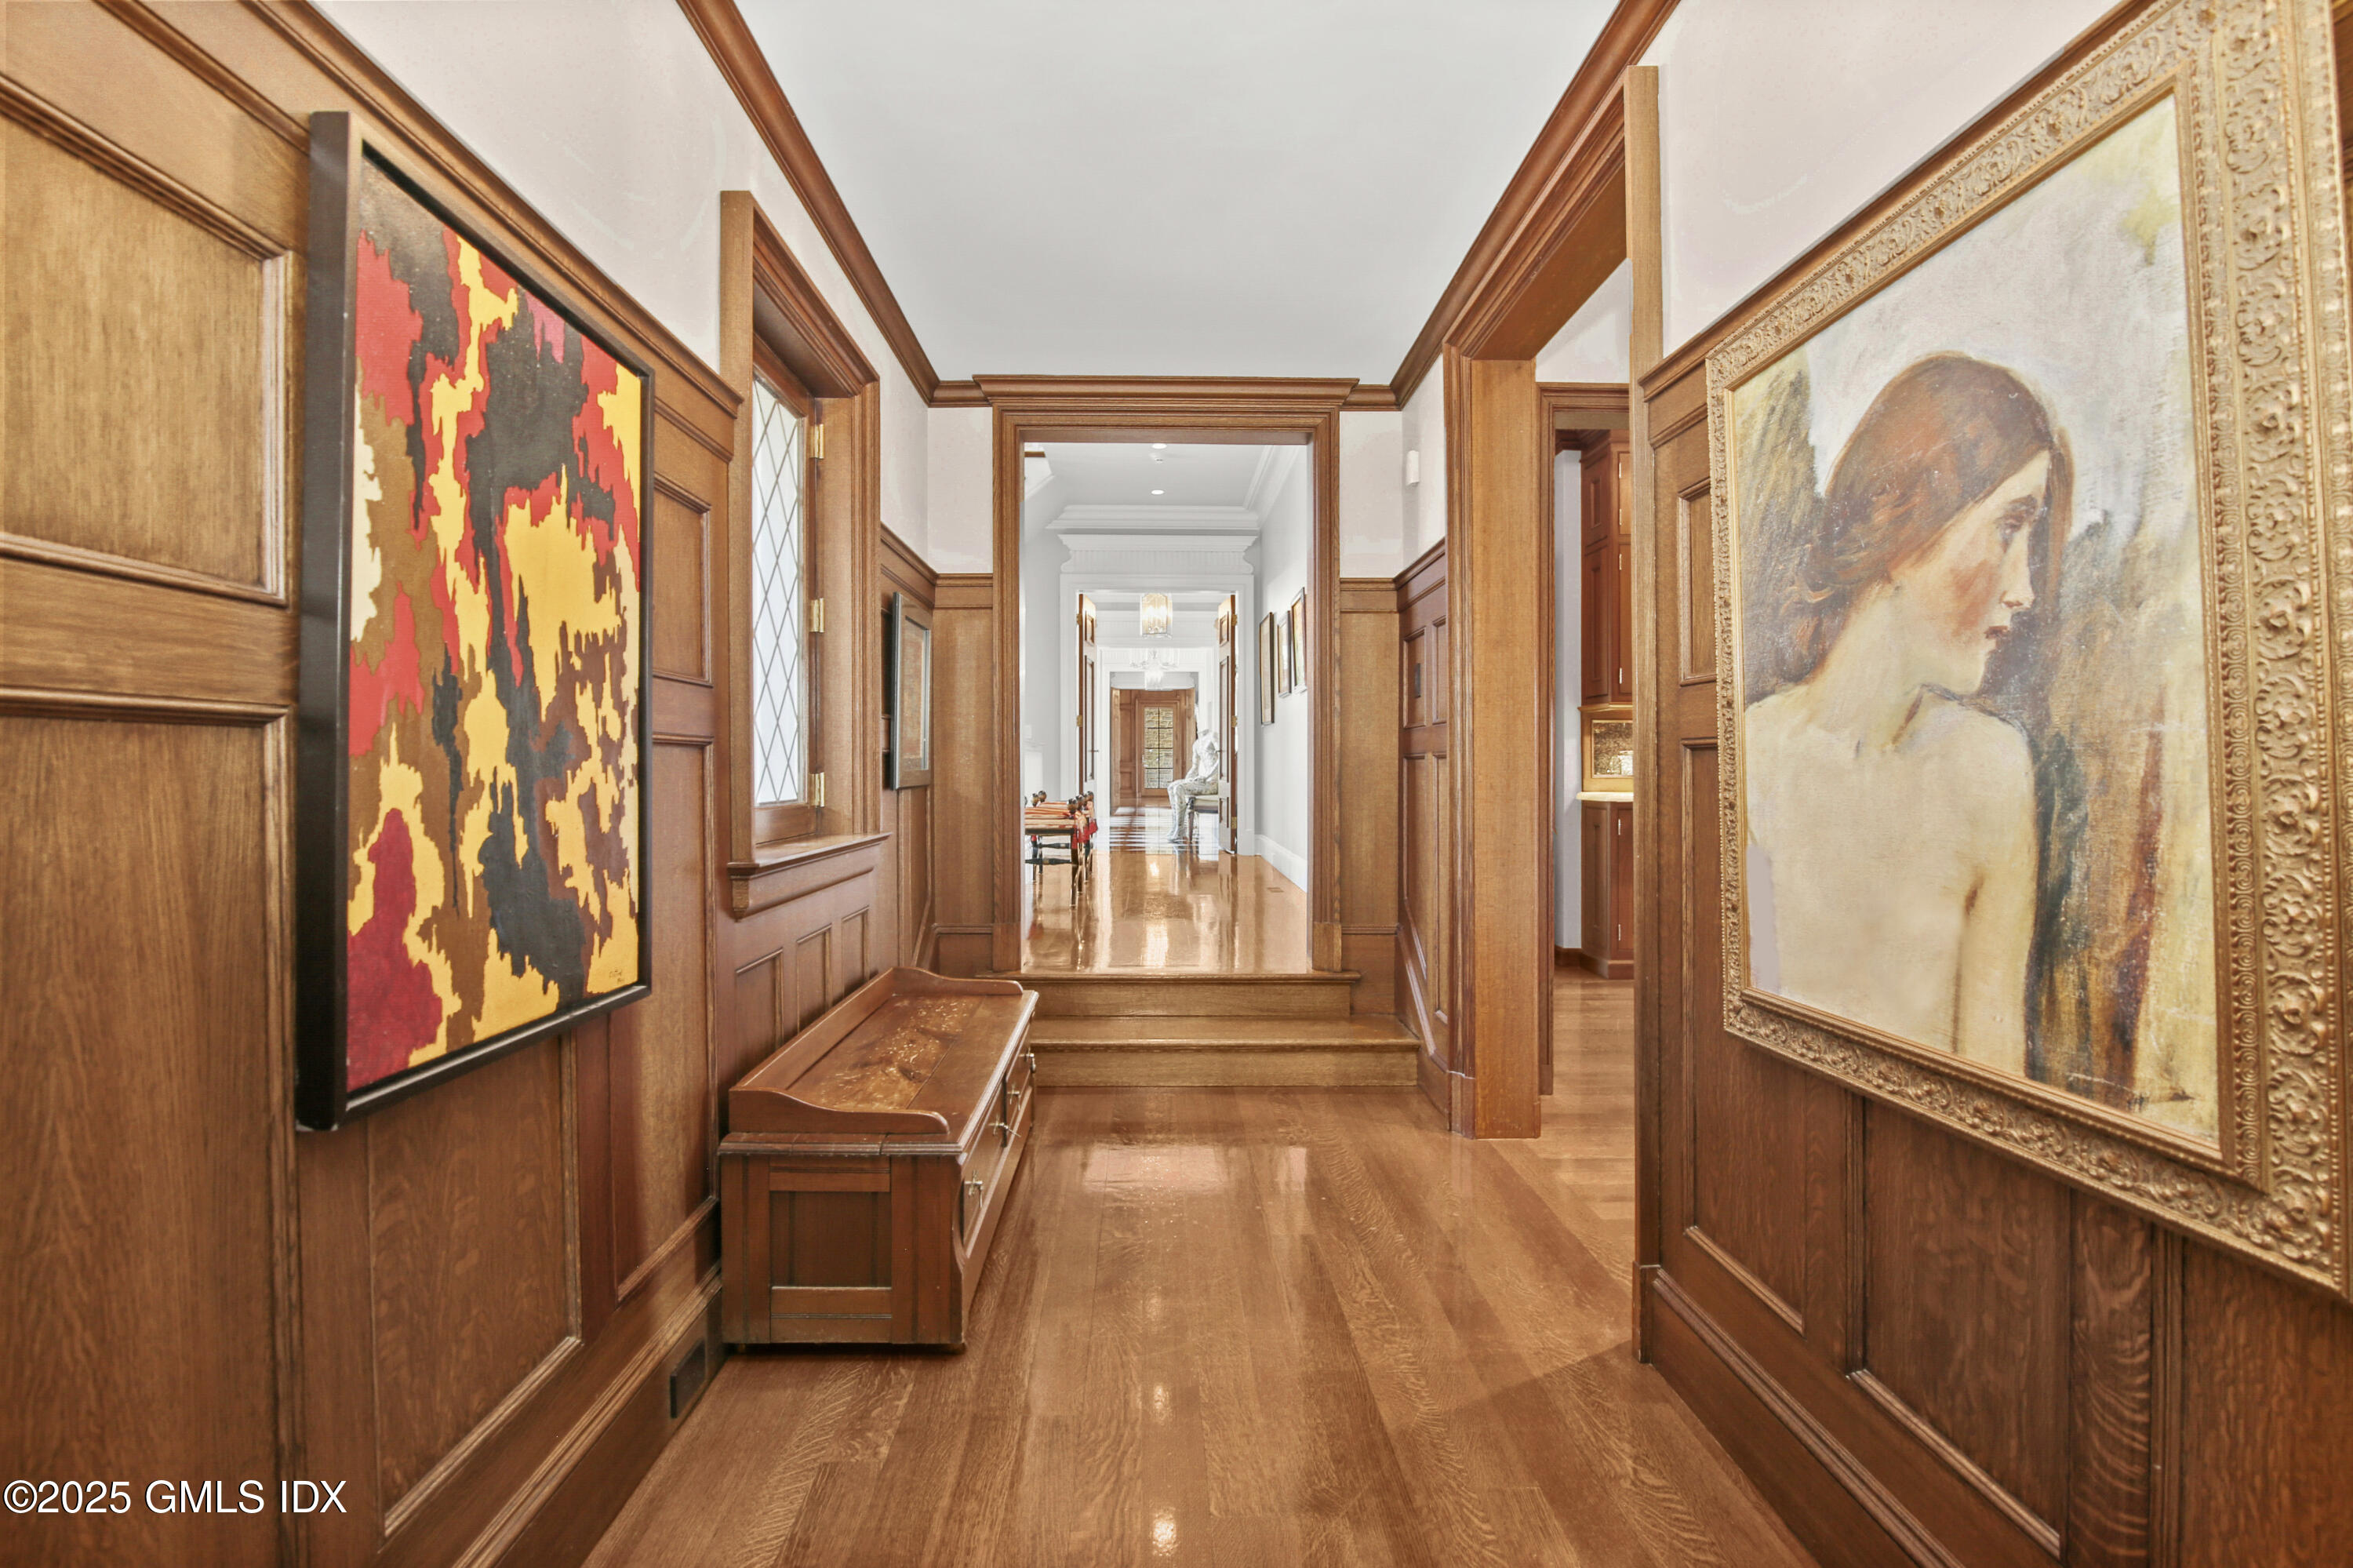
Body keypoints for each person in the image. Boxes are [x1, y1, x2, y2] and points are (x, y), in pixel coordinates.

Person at [1744, 354, 2068, 1077]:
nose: (2024, 589)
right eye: (2009, 528)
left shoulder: (1992, 770)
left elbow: (1994, 1073)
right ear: (1903, 522)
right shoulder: (1753, 754)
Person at [1166, 733, 1221, 846]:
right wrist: (1188, 780)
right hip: (1204, 780)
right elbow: (1195, 767)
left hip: (1213, 782)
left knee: (1179, 788)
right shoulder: (1197, 744)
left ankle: (1180, 829)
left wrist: (1207, 776)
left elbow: (1223, 759)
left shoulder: (1213, 736)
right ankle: (1177, 826)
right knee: (1172, 787)